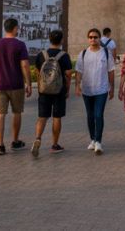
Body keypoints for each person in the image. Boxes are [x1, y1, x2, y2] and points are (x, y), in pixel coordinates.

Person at [0, 17, 32, 155]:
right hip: (16, 84)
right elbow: (25, 65)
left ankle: (0, 146)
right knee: (17, 112)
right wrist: (29, 83)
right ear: (14, 28)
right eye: (17, 28)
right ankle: (15, 141)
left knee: (0, 114)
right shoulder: (20, 45)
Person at [31, 29, 73, 158]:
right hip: (58, 90)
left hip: (44, 91)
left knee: (42, 117)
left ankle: (38, 138)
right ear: (61, 41)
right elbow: (68, 74)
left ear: (49, 39)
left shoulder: (41, 55)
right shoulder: (64, 55)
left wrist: (40, 86)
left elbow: (38, 72)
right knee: (57, 117)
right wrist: (67, 89)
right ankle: (55, 144)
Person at [76, 28, 115, 155]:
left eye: (95, 37)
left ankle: (98, 141)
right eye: (91, 37)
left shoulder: (106, 53)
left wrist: (112, 87)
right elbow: (79, 71)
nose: (93, 39)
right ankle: (92, 139)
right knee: (90, 115)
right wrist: (77, 85)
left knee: (98, 115)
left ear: (99, 38)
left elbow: (111, 71)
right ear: (88, 39)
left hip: (101, 89)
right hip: (87, 90)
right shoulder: (83, 54)